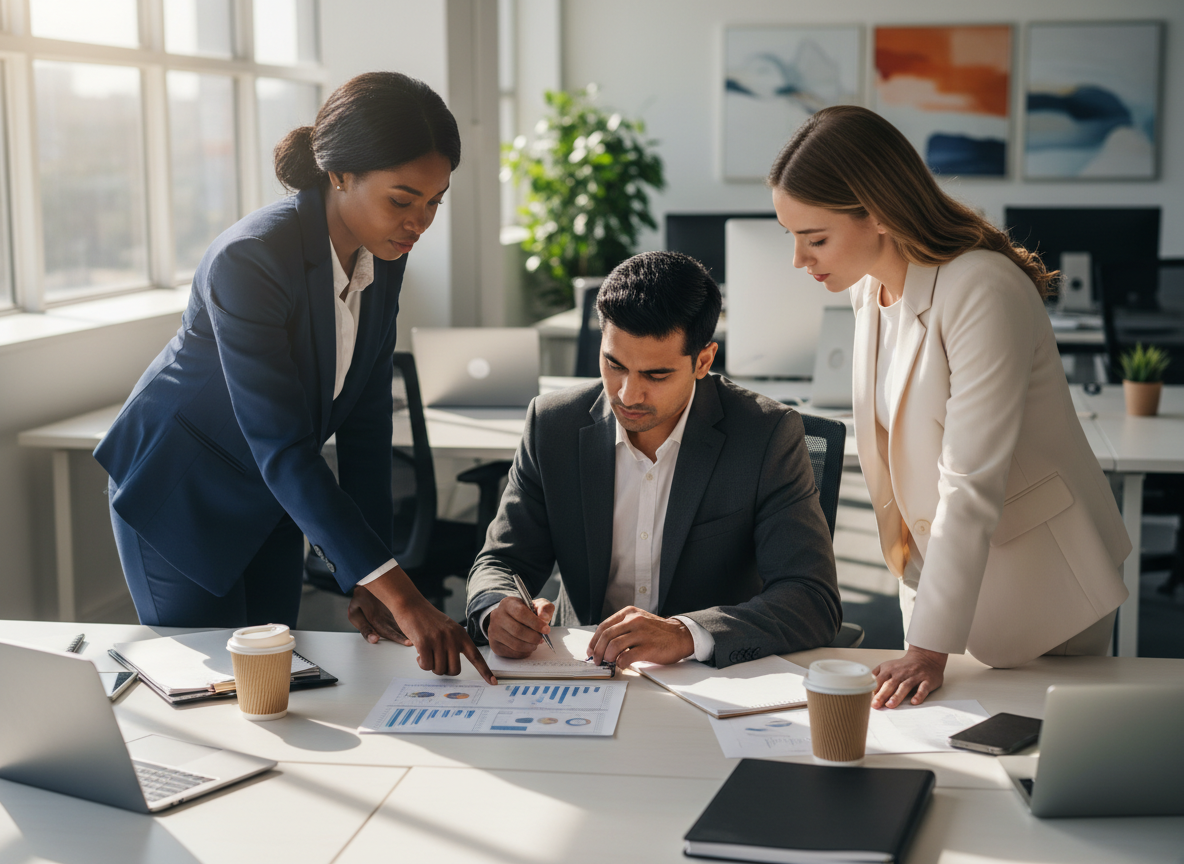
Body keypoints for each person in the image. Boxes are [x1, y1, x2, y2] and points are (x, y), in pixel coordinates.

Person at [95, 72, 495, 684]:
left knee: (274, 686)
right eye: (402, 198)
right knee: (213, 694)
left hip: (271, 499)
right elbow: (281, 443)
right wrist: (406, 598)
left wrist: (370, 577)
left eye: (434, 201)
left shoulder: (382, 256)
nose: (420, 222)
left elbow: (365, 425)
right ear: (340, 174)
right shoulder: (250, 258)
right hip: (184, 494)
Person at [767, 105, 1131, 708]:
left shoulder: (981, 289)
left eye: (816, 238)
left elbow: (971, 477)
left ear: (877, 213)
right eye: (792, 238)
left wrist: (929, 645)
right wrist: (925, 621)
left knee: (1035, 771)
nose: (799, 260)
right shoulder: (870, 291)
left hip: (1040, 589)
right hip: (940, 588)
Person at [466, 251, 841, 668]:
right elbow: (503, 559)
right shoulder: (553, 425)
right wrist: (495, 609)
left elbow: (811, 598)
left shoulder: (766, 434)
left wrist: (687, 633)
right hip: (580, 669)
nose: (627, 394)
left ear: (703, 361)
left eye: (655, 375)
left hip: (707, 679)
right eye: (614, 364)